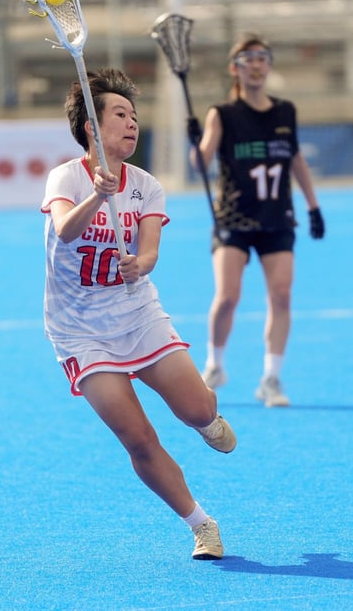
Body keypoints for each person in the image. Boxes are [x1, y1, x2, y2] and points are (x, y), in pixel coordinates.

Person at [41, 68, 236, 560]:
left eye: (134, 116)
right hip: (80, 331)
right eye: (120, 115)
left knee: (195, 410)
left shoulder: (147, 186)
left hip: (136, 314)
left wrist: (139, 265)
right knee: (139, 438)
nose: (132, 123)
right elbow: (65, 229)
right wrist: (98, 195)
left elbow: (149, 254)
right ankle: (201, 524)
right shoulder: (65, 177)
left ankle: (205, 411)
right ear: (91, 126)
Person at [192, 32, 325, 407]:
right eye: (248, 59)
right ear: (235, 69)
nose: (256, 65)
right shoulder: (223, 114)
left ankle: (271, 378)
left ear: (268, 65)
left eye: (262, 58)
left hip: (277, 217)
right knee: (228, 297)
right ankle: (215, 365)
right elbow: (201, 164)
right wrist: (196, 141)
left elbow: (295, 158)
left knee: (281, 295)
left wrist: (313, 206)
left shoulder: (285, 111)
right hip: (233, 217)